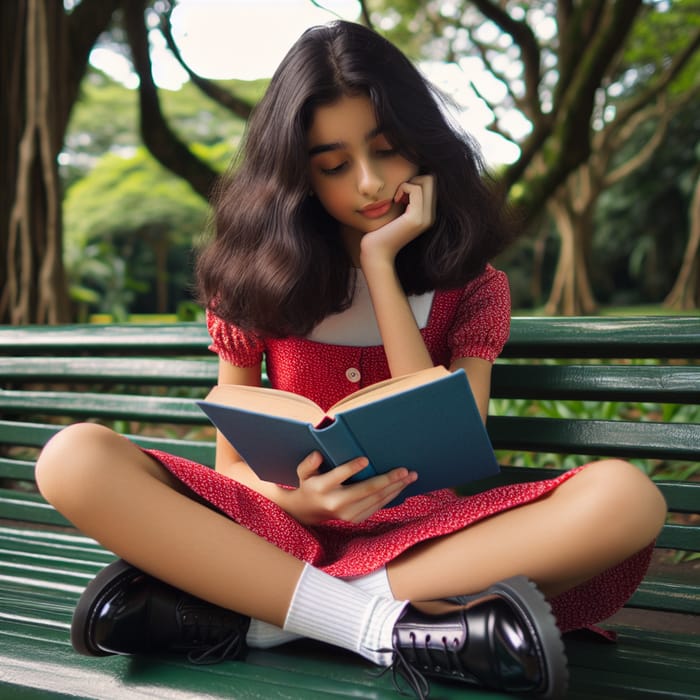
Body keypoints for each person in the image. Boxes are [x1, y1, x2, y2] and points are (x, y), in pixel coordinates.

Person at [35, 20, 666, 700]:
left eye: (387, 151)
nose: (369, 183)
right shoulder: (254, 282)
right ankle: (377, 627)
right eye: (334, 165)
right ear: (298, 176)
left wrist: (382, 265)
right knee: (72, 457)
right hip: (278, 530)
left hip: (426, 540)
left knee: (627, 499)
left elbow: (454, 440)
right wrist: (298, 499)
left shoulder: (475, 288)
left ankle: (270, 615)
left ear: (423, 148)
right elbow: (231, 466)